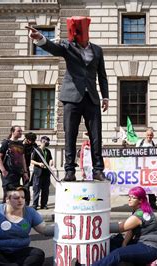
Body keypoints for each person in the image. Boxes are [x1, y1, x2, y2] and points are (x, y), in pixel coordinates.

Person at [26, 17, 108, 182]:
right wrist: (40, 39)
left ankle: (98, 170)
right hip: (71, 97)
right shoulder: (67, 46)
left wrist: (105, 96)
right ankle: (69, 170)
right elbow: (53, 48)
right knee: (70, 134)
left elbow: (102, 75)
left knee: (96, 136)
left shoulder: (98, 50)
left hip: (92, 98)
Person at [0, 186, 54, 265]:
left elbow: (44, 229)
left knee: (38, 254)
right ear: (7, 199)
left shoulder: (30, 212)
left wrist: (63, 228)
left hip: (19, 251)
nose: (20, 200)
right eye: (16, 198)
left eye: (23, 197)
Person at [93, 186, 157, 266]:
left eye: (133, 198)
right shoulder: (138, 210)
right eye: (129, 197)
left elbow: (121, 227)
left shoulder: (141, 213)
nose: (129, 199)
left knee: (118, 253)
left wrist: (98, 227)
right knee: (112, 242)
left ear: (140, 200)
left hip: (150, 248)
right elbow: (131, 230)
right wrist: (124, 243)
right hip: (139, 243)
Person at [0, 126, 29, 203]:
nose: (21, 133)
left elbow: (23, 159)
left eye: (21, 131)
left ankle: (12, 212)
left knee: (15, 195)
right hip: (8, 173)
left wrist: (25, 172)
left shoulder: (21, 144)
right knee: (8, 195)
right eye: (18, 131)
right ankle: (4, 213)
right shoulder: (6, 143)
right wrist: (3, 170)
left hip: (17, 173)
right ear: (12, 132)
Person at [136, 128, 157, 210]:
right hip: (141, 168)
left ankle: (152, 203)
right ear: (145, 135)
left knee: (151, 186)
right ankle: (140, 203)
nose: (149, 136)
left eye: (151, 135)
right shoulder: (140, 142)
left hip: (151, 168)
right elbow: (135, 153)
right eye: (148, 135)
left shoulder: (154, 143)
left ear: (153, 136)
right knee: (141, 187)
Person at [30, 136, 54, 210]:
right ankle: (35, 205)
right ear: (42, 141)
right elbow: (31, 161)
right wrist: (39, 164)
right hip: (38, 172)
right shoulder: (36, 150)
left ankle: (44, 204)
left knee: (45, 189)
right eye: (47, 141)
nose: (48, 143)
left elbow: (50, 159)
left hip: (46, 172)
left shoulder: (48, 151)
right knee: (36, 189)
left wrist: (51, 161)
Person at [23, 132, 38, 206]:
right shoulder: (20, 144)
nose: (31, 142)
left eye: (33, 141)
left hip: (26, 168)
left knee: (26, 185)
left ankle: (26, 203)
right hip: (17, 168)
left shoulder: (33, 145)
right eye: (30, 140)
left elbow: (37, 154)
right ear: (27, 139)